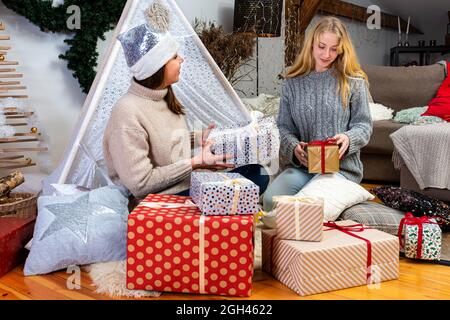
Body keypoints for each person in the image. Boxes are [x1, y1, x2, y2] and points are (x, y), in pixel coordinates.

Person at [103, 5, 269, 204]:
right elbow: (140, 184)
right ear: (156, 67)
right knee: (251, 181)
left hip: (187, 185)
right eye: (174, 57)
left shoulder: (164, 96)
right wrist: (195, 163)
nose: (181, 59)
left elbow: (161, 141)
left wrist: (197, 139)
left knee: (256, 172)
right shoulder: (127, 112)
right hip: (158, 201)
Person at [263, 16, 373, 211]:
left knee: (313, 206)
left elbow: (364, 126)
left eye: (333, 48)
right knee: (271, 201)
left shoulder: (354, 81)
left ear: (341, 49)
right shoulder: (292, 82)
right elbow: (284, 128)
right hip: (303, 167)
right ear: (311, 44)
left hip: (340, 170)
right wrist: (294, 148)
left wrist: (348, 139)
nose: (326, 54)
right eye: (321, 46)